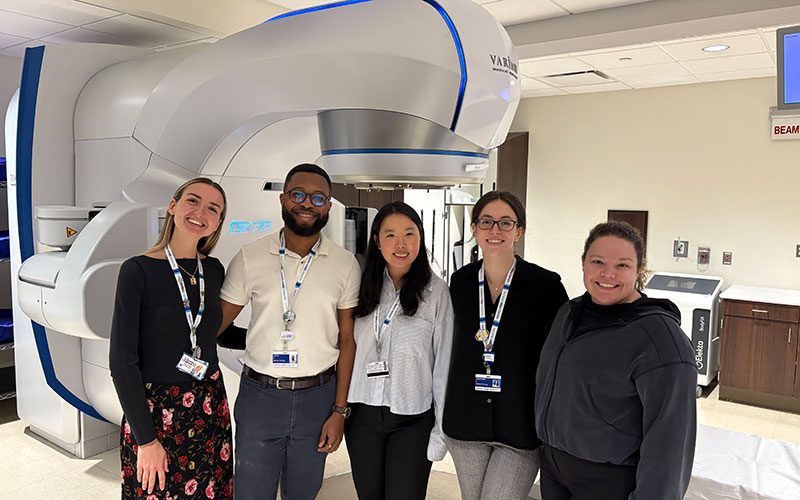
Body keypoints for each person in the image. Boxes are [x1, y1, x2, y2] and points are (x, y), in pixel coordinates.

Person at [218, 163, 361, 500]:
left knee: (303, 492)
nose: (307, 203)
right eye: (298, 194)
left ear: (328, 206)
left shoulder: (344, 264)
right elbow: (216, 324)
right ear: (283, 199)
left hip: (318, 397)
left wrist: (339, 411)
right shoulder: (250, 257)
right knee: (251, 492)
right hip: (260, 396)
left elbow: (347, 341)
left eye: (317, 198)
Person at [535, 221, 697, 500]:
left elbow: (671, 447)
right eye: (597, 261)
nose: (608, 273)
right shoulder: (569, 313)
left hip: (609, 483)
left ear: (639, 270)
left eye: (622, 265)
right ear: (583, 264)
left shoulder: (660, 342)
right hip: (554, 470)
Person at [110, 177, 233, 500]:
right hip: (157, 411)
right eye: (193, 201)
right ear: (173, 206)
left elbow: (214, 331)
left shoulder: (214, 270)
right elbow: (122, 362)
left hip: (210, 406)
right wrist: (146, 441)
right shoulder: (137, 271)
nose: (200, 212)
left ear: (218, 222)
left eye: (213, 209)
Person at [442, 191, 569, 500]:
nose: (495, 230)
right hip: (465, 422)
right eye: (486, 222)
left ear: (519, 231)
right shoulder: (460, 283)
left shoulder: (546, 286)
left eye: (506, 223)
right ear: (474, 229)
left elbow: (565, 352)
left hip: (520, 425)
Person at [345, 202, 453, 500]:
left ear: (421, 237)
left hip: (413, 419)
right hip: (362, 416)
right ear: (377, 241)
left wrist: (440, 432)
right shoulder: (359, 286)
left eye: (409, 233)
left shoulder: (436, 293)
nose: (401, 244)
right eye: (390, 235)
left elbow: (443, 365)